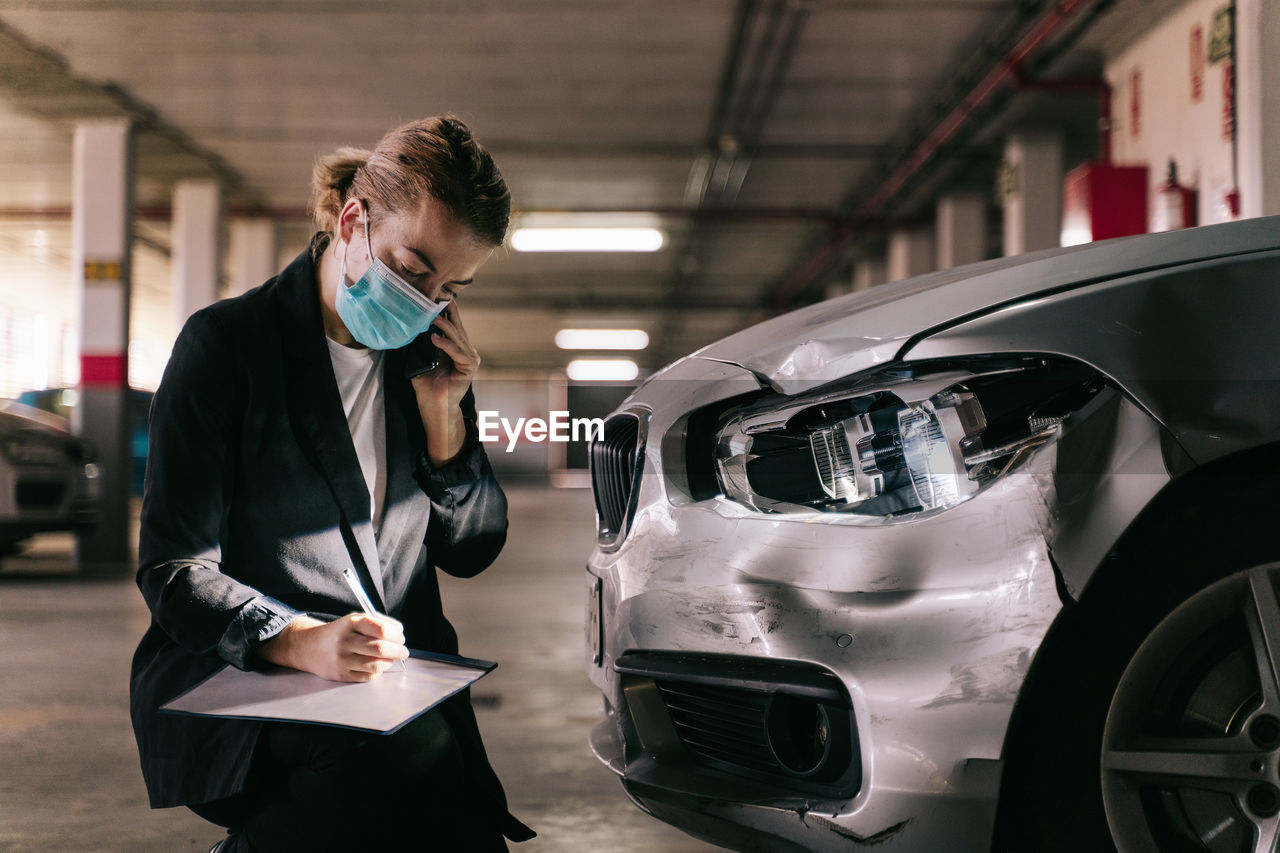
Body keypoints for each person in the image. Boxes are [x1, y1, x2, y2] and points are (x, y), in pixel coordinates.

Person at [128, 116, 534, 851]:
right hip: (240, 676)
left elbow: (471, 550)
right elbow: (172, 570)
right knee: (384, 775)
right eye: (412, 270)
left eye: (451, 286)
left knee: (460, 823)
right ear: (353, 220)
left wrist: (445, 418)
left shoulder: (429, 361)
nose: (427, 301)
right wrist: (299, 638)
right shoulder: (227, 348)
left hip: (389, 684)